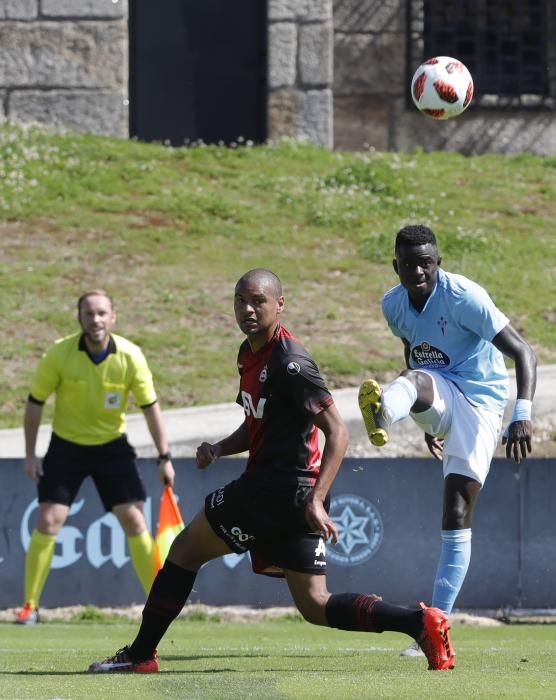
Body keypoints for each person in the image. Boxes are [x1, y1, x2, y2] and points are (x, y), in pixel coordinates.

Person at [88, 268, 454, 674]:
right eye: (240, 300)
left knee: (183, 552)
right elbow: (257, 421)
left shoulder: (290, 362)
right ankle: (420, 622)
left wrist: (316, 499)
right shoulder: (249, 352)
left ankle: (140, 655)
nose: (247, 309)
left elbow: (338, 433)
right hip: (290, 494)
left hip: (275, 489)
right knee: (316, 604)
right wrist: (221, 447)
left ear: (280, 304)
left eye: (258, 301)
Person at [358, 225, 537, 657]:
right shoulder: (393, 304)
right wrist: (424, 416)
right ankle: (385, 411)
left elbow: (523, 351)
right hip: (438, 388)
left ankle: (433, 628)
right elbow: (413, 350)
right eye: (409, 263)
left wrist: (523, 414)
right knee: (413, 379)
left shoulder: (464, 297)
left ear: (438, 262)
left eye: (427, 262)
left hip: (481, 403)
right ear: (395, 265)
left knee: (456, 511)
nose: (418, 270)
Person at [15, 290, 175, 625]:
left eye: (102, 313)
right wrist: (31, 455)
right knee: (48, 520)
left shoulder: (130, 356)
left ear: (113, 317)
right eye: (89, 314)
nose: (96, 320)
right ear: (79, 319)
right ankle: (30, 606)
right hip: (66, 446)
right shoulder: (59, 353)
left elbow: (151, 409)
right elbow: (34, 404)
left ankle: (159, 605)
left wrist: (165, 456)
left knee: (135, 520)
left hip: (111, 447)